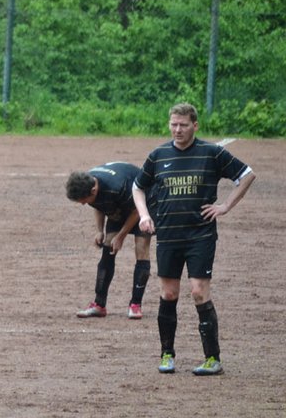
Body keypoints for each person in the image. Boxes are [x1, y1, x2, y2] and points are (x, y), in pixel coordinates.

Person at [132, 102, 256, 376]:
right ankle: (167, 354)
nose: (177, 129)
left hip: (200, 235)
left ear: (195, 125)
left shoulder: (211, 153)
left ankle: (213, 359)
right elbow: (138, 187)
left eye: (183, 125)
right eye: (173, 124)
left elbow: (247, 175)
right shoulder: (158, 155)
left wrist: (225, 206)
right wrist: (143, 215)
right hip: (168, 236)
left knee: (199, 292)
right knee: (168, 294)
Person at [66, 162, 155, 320]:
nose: (82, 203)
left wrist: (120, 236)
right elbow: (98, 205)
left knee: (141, 249)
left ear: (94, 190)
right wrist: (99, 230)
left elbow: (136, 211)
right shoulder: (89, 182)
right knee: (108, 247)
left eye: (83, 200)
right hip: (118, 205)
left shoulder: (118, 186)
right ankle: (99, 305)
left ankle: (135, 305)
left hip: (143, 206)